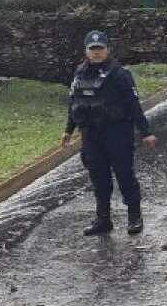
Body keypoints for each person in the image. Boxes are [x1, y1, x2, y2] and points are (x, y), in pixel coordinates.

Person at [59, 30, 156, 236]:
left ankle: (134, 217)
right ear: (86, 51)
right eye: (92, 49)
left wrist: (145, 132)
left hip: (117, 132)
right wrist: (68, 131)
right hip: (91, 135)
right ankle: (103, 220)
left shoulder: (120, 74)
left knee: (124, 175)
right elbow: (75, 105)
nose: (96, 53)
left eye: (100, 49)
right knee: (99, 178)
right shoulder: (79, 73)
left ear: (107, 49)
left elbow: (133, 105)